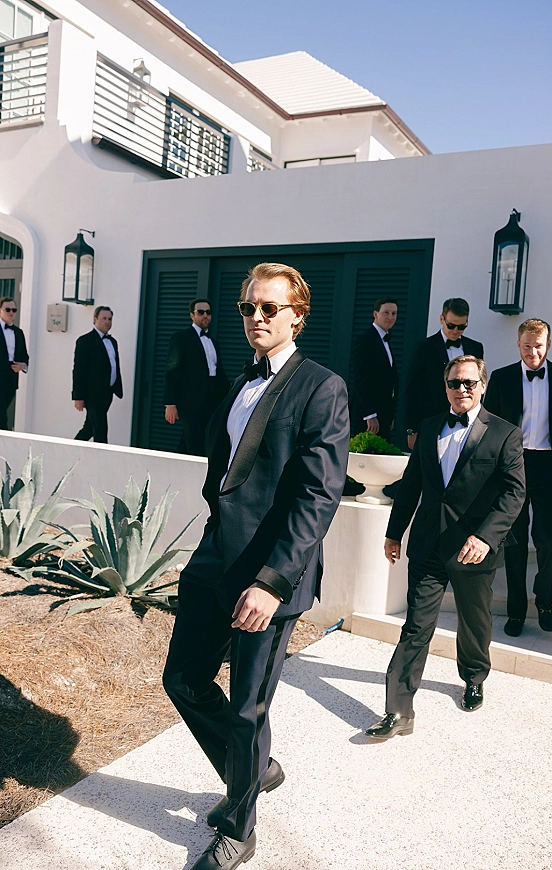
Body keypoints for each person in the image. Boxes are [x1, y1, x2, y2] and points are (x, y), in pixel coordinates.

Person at [163, 262, 350, 870]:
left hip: (269, 573)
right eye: (248, 308)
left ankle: (238, 827)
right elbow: (226, 470)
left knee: (247, 708)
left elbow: (317, 497)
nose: (257, 318)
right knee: (183, 679)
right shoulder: (239, 380)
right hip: (214, 558)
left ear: (297, 315)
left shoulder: (321, 387)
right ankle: (254, 768)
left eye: (270, 308)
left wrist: (272, 582)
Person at [366, 355, 525, 740]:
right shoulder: (429, 426)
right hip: (428, 545)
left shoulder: (505, 433)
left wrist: (486, 536)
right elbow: (412, 484)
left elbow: (514, 493)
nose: (462, 390)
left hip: (474, 548)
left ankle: (473, 677)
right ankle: (399, 711)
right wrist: (394, 532)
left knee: (474, 620)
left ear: (482, 386)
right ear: (446, 388)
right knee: (416, 626)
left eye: (469, 383)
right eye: (455, 383)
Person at [484, 319, 552, 637]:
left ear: (548, 345)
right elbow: (488, 431)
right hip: (513, 466)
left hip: (550, 466)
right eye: (527, 346)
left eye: (538, 346)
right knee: (514, 541)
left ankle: (545, 599)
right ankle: (515, 612)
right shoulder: (501, 378)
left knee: (549, 539)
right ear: (518, 344)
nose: (532, 352)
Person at [405, 298, 484, 450]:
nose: (455, 330)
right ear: (442, 319)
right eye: (451, 325)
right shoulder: (424, 348)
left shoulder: (475, 348)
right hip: (432, 419)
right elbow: (412, 390)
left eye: (461, 327)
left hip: (466, 421)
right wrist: (411, 429)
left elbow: (478, 385)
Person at [164, 297, 229, 456]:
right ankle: (197, 479)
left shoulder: (213, 342)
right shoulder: (181, 338)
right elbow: (172, 370)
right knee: (196, 442)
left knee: (189, 441)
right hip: (189, 400)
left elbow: (217, 372)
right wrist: (170, 403)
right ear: (192, 315)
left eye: (208, 312)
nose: (205, 315)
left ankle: (175, 472)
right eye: (200, 312)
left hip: (211, 399)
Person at [72, 306, 122, 443]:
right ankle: (103, 460)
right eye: (104, 318)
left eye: (110, 319)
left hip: (107, 393)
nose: (107, 322)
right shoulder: (85, 341)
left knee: (90, 427)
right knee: (100, 428)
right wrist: (78, 396)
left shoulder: (113, 342)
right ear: (95, 320)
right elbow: (79, 371)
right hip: (92, 394)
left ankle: (71, 451)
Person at [350, 297, 399, 437]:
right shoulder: (365, 340)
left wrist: (390, 416)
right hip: (368, 418)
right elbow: (360, 379)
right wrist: (369, 415)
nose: (390, 317)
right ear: (375, 314)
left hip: (383, 416)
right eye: (386, 313)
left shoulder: (386, 340)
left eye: (394, 313)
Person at [0, 296, 28, 430]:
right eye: (7, 309)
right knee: (2, 417)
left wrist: (23, 366)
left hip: (11, 379)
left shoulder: (18, 332)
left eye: (14, 310)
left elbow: (25, 356)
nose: (11, 313)